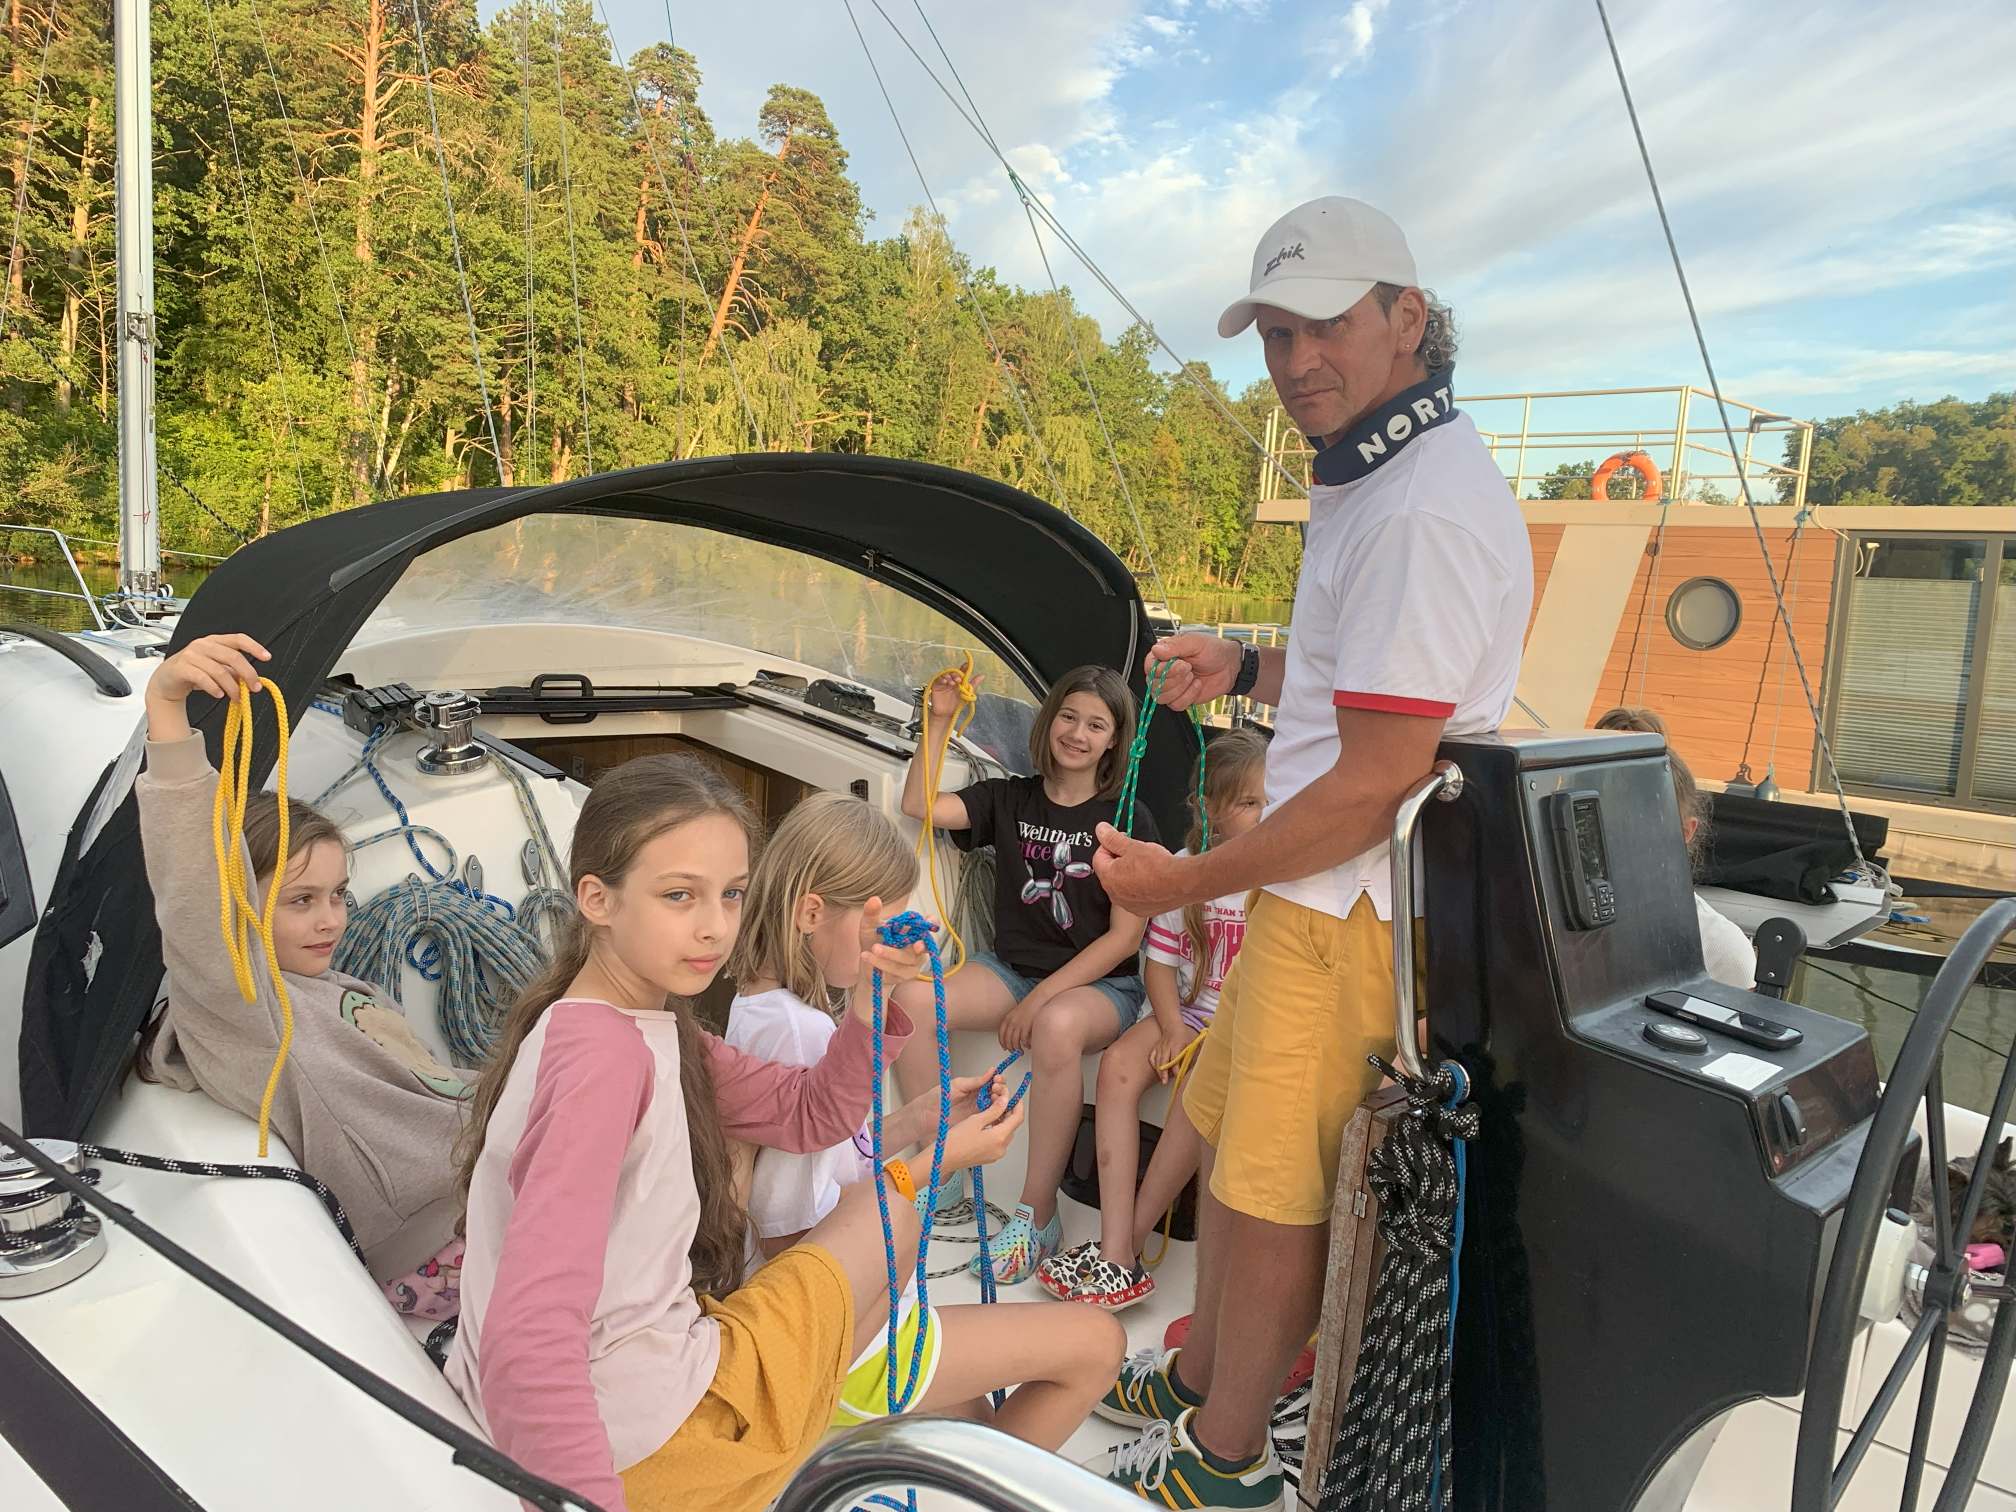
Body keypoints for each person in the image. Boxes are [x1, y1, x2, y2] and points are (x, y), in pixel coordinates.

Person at [1090, 197, 1533, 1509]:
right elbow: (1369, 682)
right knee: (1237, 1145)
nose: (1296, 362)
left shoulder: (1415, 509)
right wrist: (1247, 667)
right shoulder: (1382, 472)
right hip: (1308, 902)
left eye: (1325, 326)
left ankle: (1226, 1459)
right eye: (1277, 335)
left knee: (1280, 1190)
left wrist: (1175, 885)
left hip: (1345, 908)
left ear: (1408, 317)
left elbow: (1376, 781)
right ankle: (1203, 1374)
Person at [445, 756, 1121, 1512]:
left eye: (731, 893)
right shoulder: (602, 1064)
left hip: (660, 1370)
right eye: (679, 895)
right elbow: (530, 1337)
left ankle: (854, 1417)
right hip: (655, 1434)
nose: (715, 926)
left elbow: (809, 1113)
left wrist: (870, 1001)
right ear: (597, 899)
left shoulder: (646, 1026)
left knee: (900, 1222)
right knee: (1095, 1340)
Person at [724, 790, 1128, 1441]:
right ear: (812, 913)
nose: (895, 941)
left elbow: (812, 1156)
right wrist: (942, 1161)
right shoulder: (801, 1034)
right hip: (849, 1341)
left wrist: (917, 1121)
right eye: (881, 925)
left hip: (842, 1320)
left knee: (976, 1420)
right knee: (1099, 1345)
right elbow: (795, 1242)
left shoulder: (760, 1010)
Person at [135, 632, 468, 1310]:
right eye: (300, 901)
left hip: (484, 1172)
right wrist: (166, 708)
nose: (331, 920)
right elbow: (194, 891)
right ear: (239, 907)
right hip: (445, 1244)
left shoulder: (337, 989)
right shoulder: (249, 1012)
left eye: (338, 895)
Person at [896, 664, 1155, 1285]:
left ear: (1114, 740)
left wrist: (1039, 1002)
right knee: (909, 1000)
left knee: (1057, 1026)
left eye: (1096, 725)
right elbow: (919, 805)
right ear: (1049, 720)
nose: (1078, 734)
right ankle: (945, 1163)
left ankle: (1036, 1217)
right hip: (1011, 972)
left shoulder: (1126, 817)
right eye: (1069, 716)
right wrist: (939, 720)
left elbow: (1125, 938)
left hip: (1101, 987)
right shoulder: (1010, 798)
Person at [1037, 729, 1270, 1311]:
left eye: (1270, 802)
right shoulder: (1182, 873)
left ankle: (1124, 1250)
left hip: (1238, 1028)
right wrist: (1170, 1028)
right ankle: (1115, 1241)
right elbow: (1161, 969)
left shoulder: (1276, 881)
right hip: (1181, 1012)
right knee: (1117, 1068)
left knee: (1199, 1087)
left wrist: (1199, 1038)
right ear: (1208, 808)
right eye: (1249, 802)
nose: (1264, 814)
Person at [1593, 707, 1757, 990]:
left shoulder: (1721, 951)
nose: (1615, 837)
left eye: (1639, 818)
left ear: (1684, 832)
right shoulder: (1545, 924)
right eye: (1601, 818)